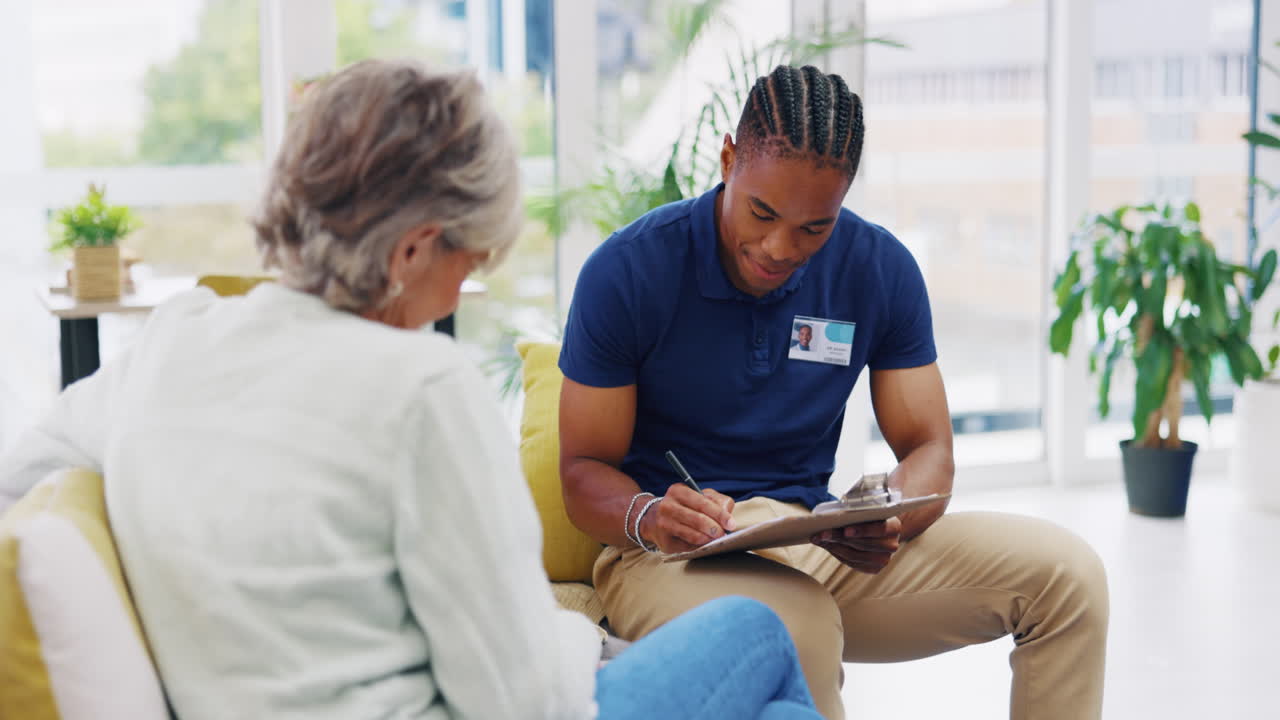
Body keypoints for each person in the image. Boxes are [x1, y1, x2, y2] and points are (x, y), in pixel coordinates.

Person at [0, 60, 824, 720]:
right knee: (756, 633)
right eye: (471, 260)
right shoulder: (421, 389)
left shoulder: (176, 338)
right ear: (412, 252)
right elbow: (522, 702)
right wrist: (576, 640)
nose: (467, 283)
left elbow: (19, 474)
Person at [558, 64, 1109, 720]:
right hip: (669, 558)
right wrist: (648, 516)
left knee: (1068, 579)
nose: (778, 247)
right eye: (761, 212)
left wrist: (890, 516)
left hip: (814, 540)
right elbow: (581, 472)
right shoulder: (629, 271)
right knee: (799, 625)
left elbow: (929, 446)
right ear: (729, 159)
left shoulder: (878, 268)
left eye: (812, 227)